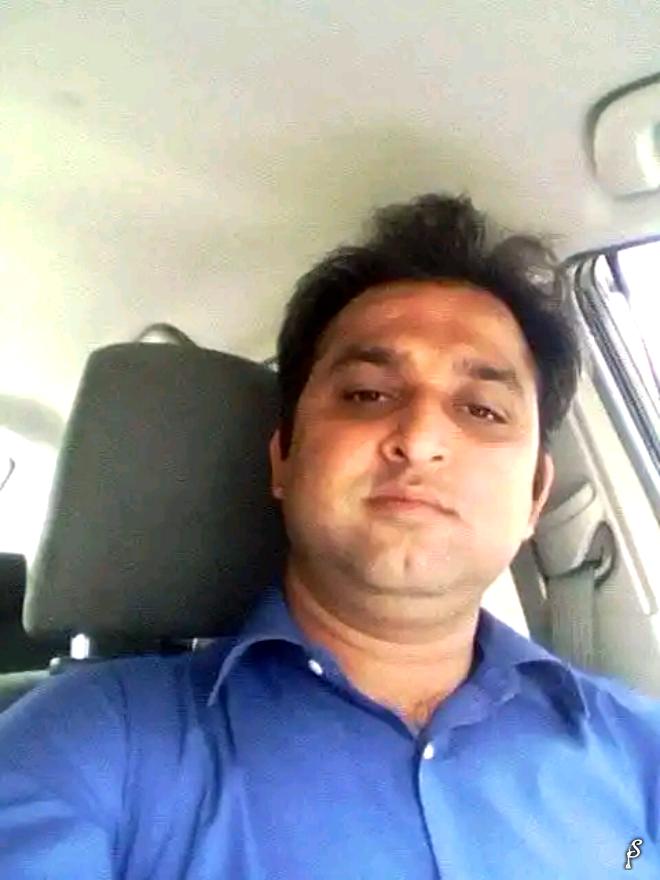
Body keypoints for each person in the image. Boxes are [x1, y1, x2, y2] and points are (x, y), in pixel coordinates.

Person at [0, 194, 658, 879]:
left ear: (535, 497)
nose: (421, 439)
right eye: (368, 394)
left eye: (483, 409)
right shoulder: (82, 747)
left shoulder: (641, 757)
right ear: (283, 458)